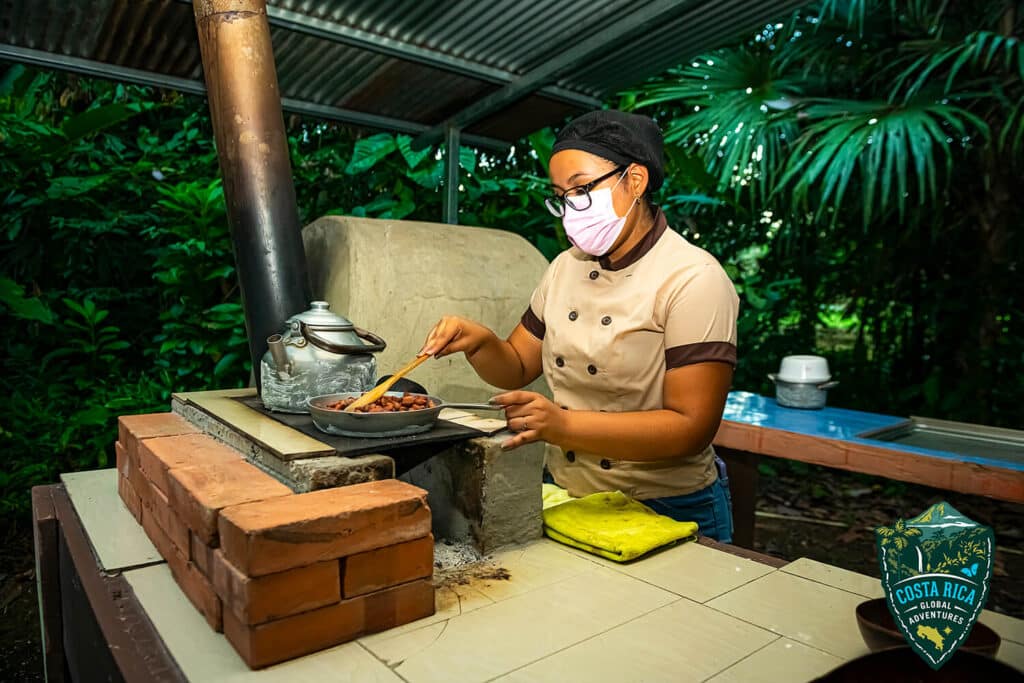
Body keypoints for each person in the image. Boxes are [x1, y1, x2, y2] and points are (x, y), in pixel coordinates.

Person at [419, 110, 739, 542]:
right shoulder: (564, 269)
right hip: (569, 495)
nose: (570, 209)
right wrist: (479, 341)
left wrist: (564, 426)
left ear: (636, 180)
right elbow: (514, 366)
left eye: (581, 189)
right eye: (560, 196)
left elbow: (690, 427)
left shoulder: (693, 278)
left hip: (666, 504)